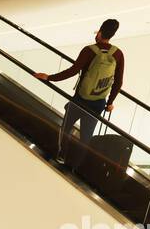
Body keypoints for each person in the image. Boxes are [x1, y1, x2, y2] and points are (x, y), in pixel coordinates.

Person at [34, 18, 125, 171]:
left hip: (80, 99)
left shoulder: (89, 50)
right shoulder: (118, 54)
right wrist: (110, 102)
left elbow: (73, 71)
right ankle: (76, 167)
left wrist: (49, 77)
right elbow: (118, 82)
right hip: (99, 102)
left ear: (100, 32)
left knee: (66, 128)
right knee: (86, 137)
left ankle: (61, 155)